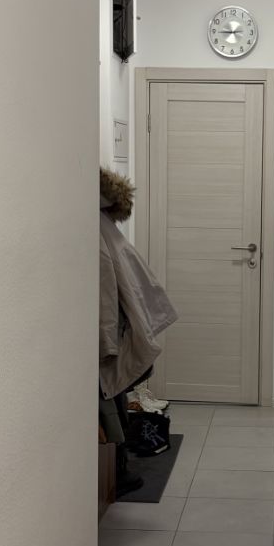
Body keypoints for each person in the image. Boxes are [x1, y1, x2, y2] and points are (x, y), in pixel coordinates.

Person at [98, 167, 177, 497]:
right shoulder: (104, 225)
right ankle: (118, 470)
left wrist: (106, 343)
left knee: (110, 397)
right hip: (118, 329)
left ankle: (116, 471)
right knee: (112, 398)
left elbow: (106, 291)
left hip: (113, 332)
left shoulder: (96, 228)